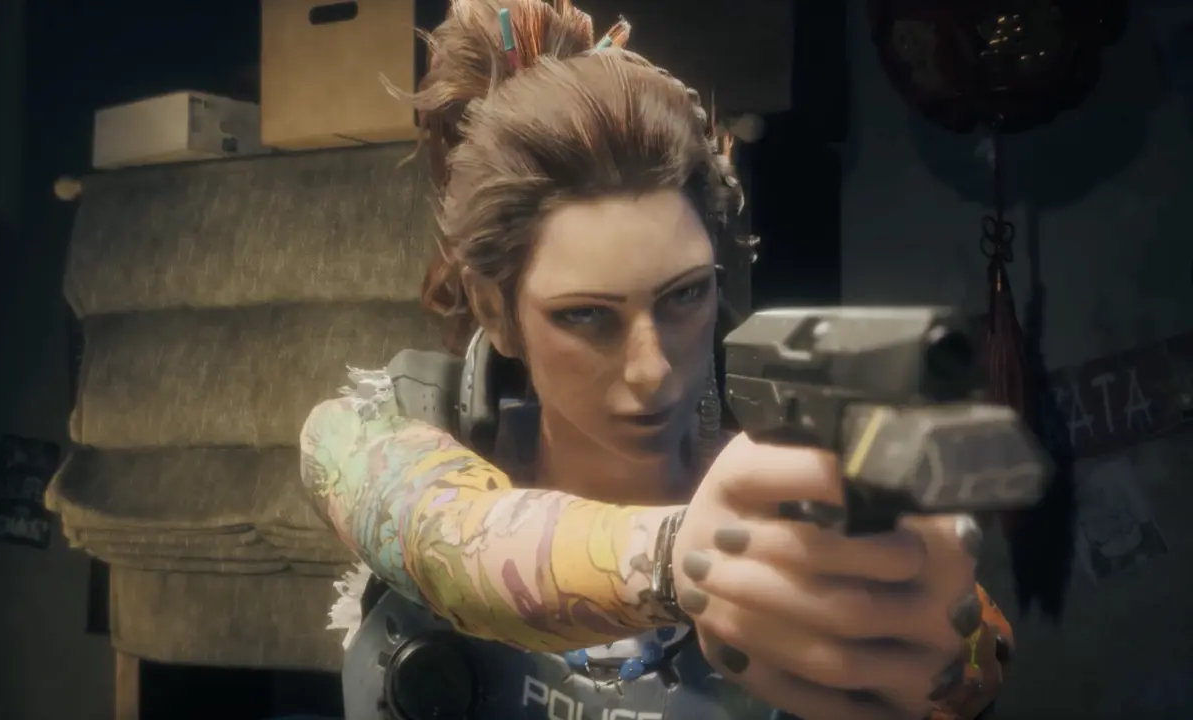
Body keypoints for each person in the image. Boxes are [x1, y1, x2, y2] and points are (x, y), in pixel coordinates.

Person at [299, 1, 1013, 718]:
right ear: (495, 310)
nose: (652, 369)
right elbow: (443, 539)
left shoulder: (786, 498)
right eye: (585, 315)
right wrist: (687, 560)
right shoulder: (391, 427)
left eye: (684, 296)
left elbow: (970, 656)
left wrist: (935, 627)